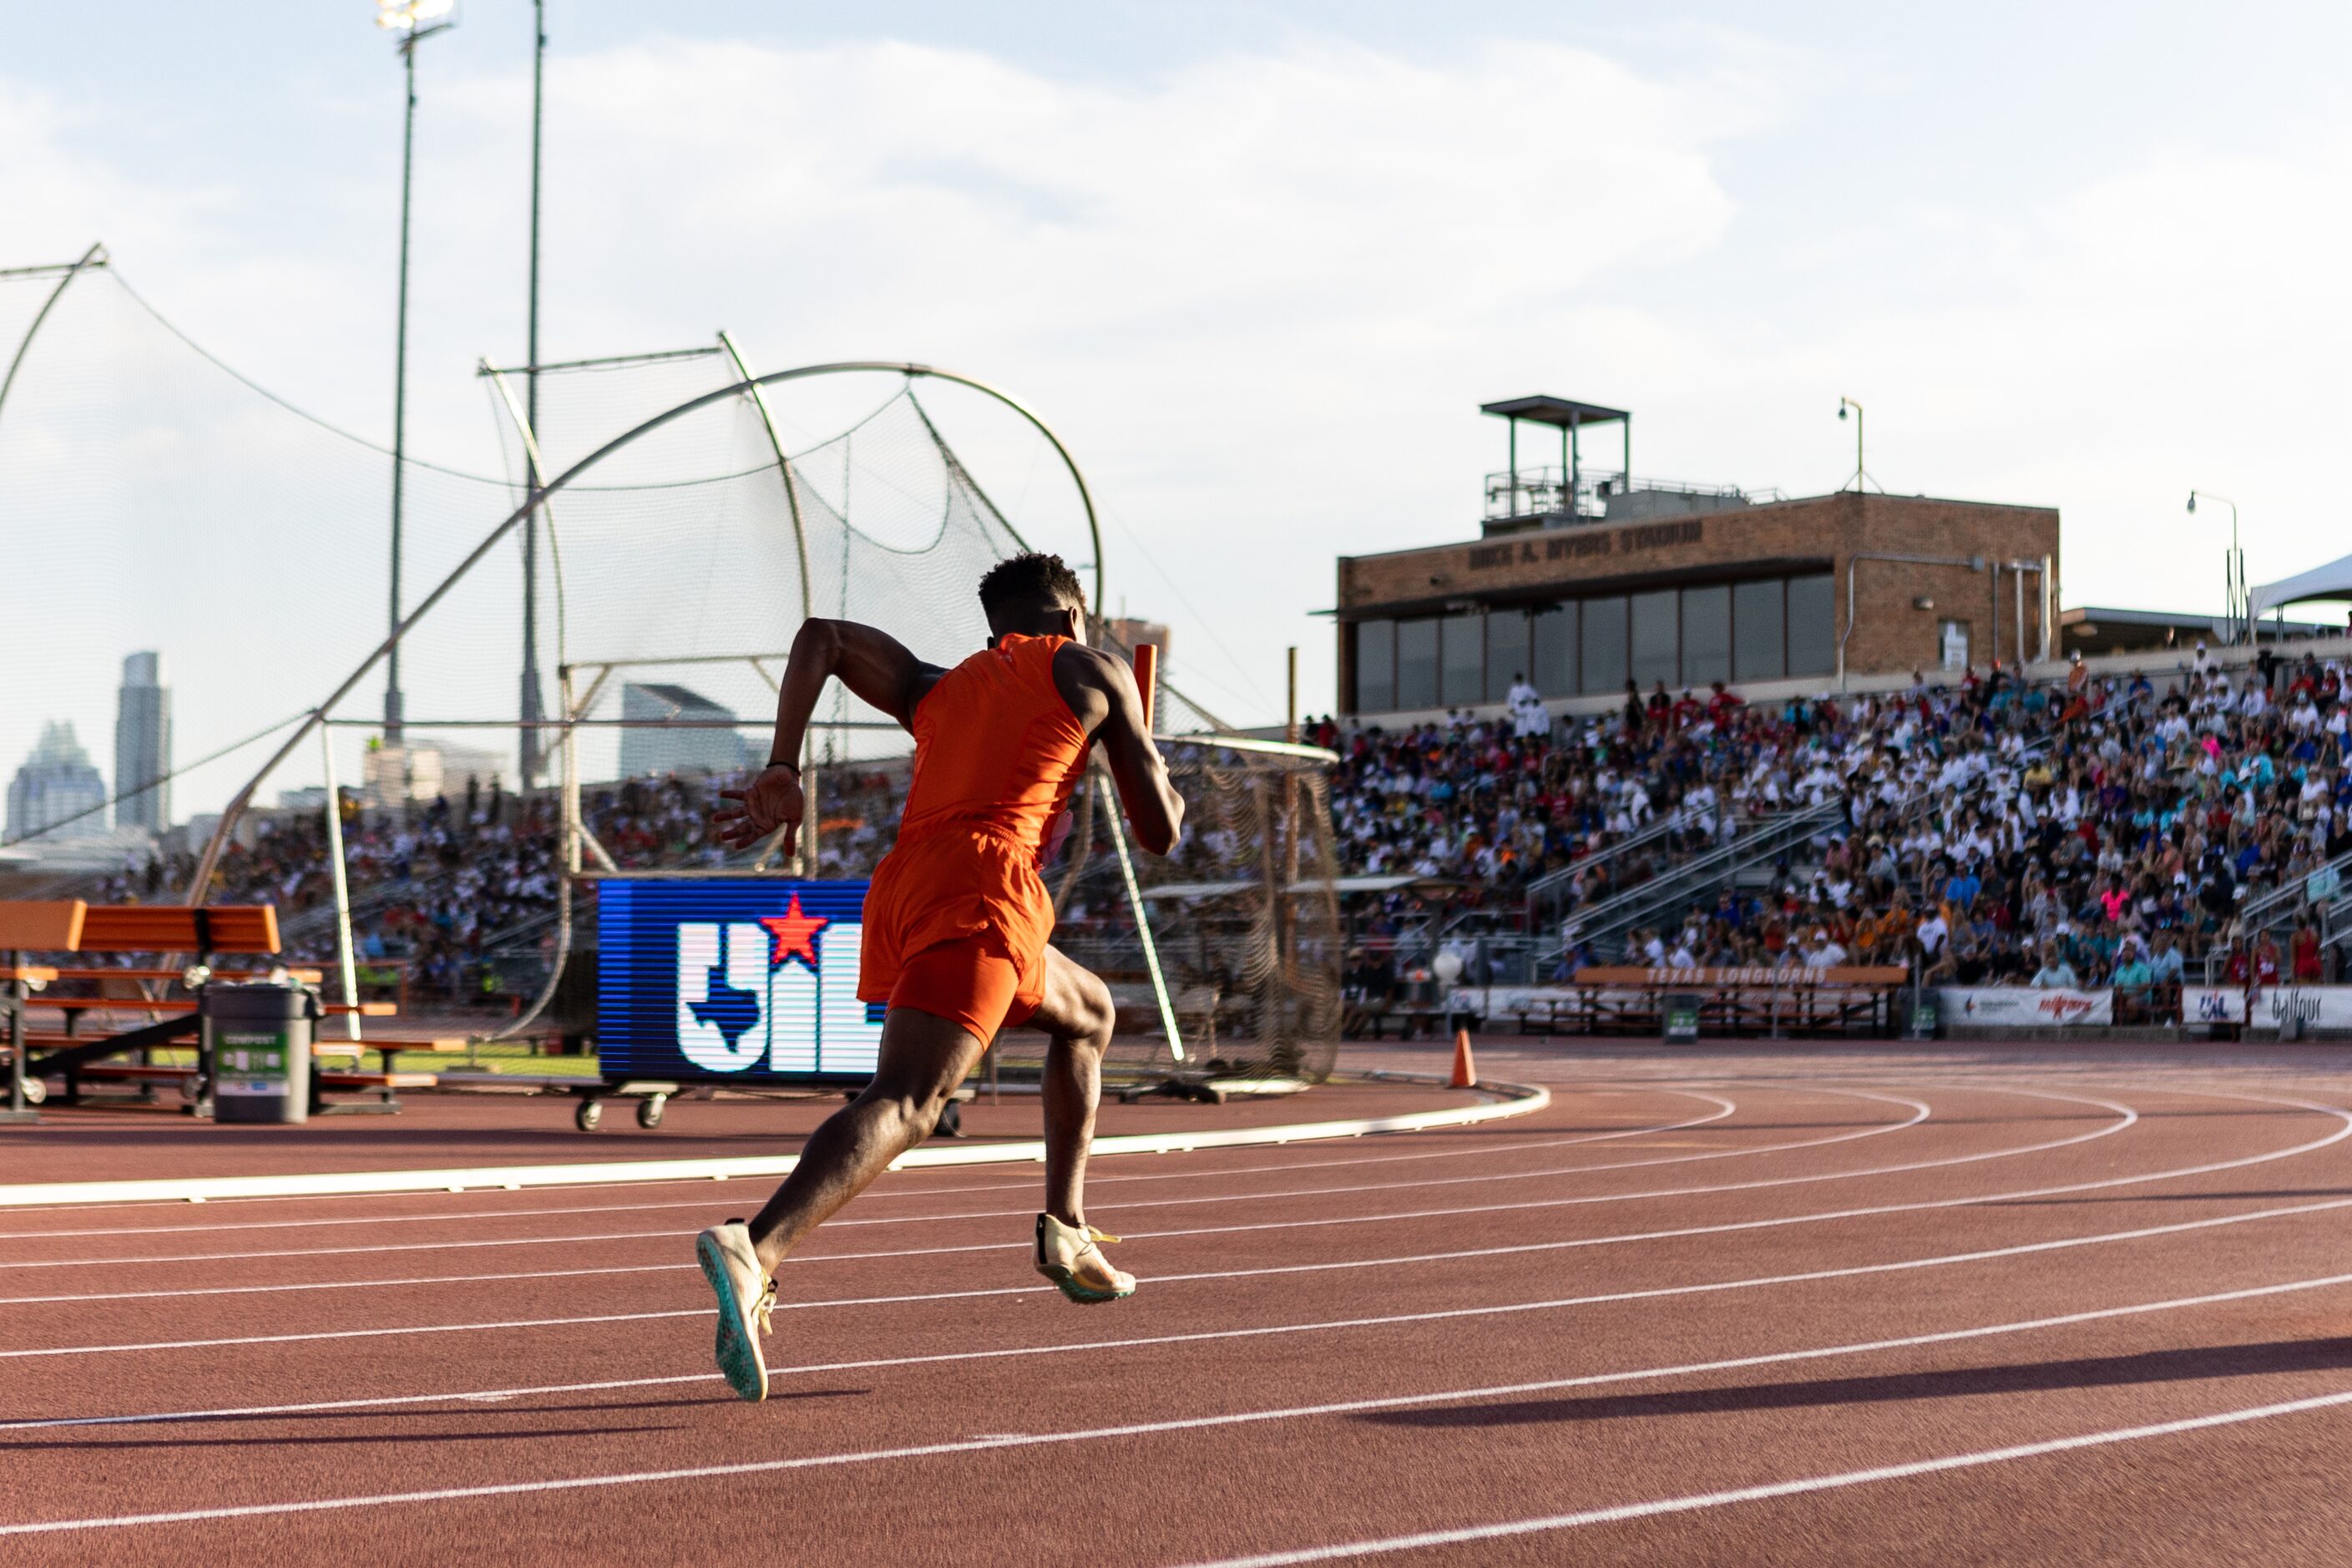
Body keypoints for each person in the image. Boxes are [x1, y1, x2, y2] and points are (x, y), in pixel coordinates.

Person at [697, 553, 1185, 1402]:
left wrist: (786, 763)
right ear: (1073, 617)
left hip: (911, 881)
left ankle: (1066, 1230)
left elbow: (825, 638)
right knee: (911, 1100)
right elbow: (1159, 833)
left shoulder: (939, 687)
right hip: (986, 883)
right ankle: (757, 1246)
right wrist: (1152, 760)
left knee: (1089, 1013)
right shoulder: (1096, 666)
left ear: (995, 630)